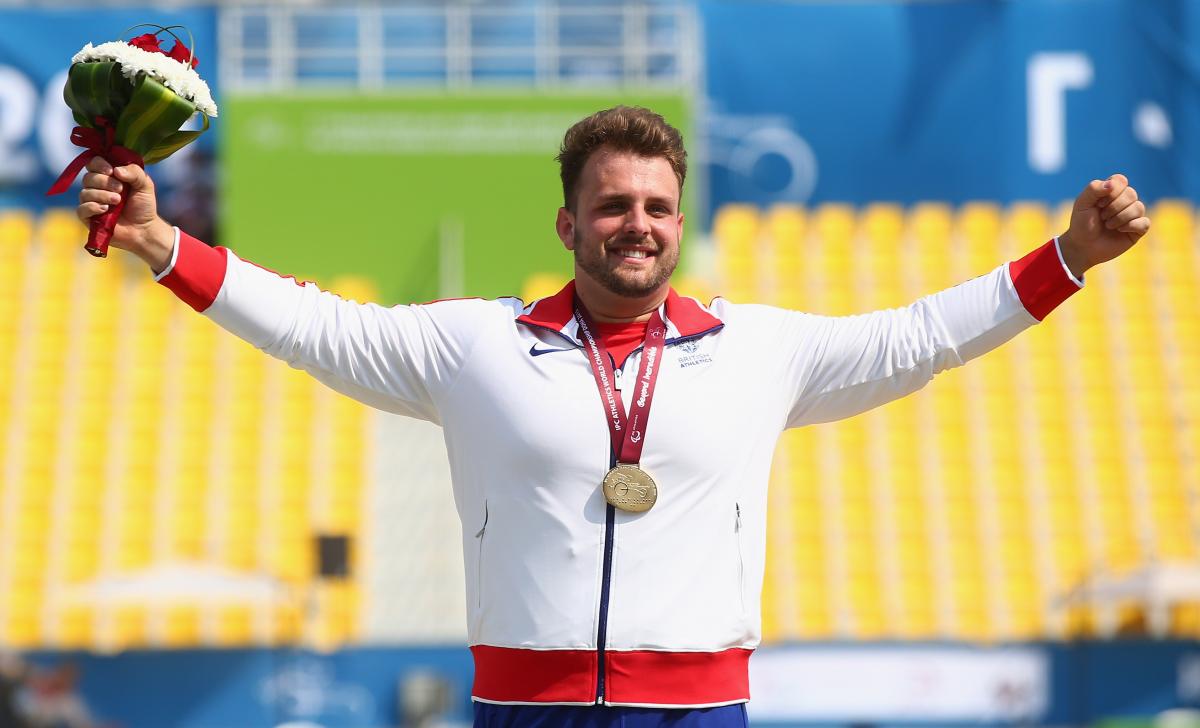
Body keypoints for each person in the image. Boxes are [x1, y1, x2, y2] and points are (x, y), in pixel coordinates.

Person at [76, 106, 1150, 728]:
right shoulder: (475, 345)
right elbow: (318, 328)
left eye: (654, 207)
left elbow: (921, 337)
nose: (634, 225)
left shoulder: (759, 350)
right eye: (611, 204)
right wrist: (165, 246)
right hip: (519, 705)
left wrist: (1066, 260)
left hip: (697, 710)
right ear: (568, 220)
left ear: (680, 223)